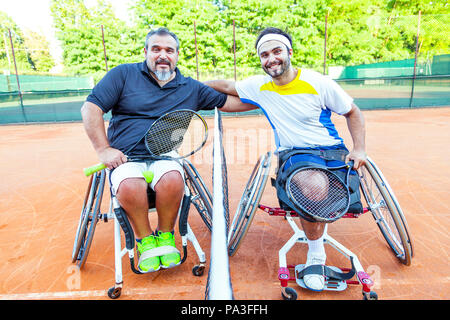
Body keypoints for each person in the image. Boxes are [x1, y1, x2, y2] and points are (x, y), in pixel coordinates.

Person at [204, 27, 367, 291]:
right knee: (315, 190)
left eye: (276, 51)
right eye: (264, 55)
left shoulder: (319, 82)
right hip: (295, 152)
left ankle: (317, 221)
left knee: (338, 190)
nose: (271, 59)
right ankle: (316, 253)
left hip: (332, 148)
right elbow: (225, 87)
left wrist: (359, 149)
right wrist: (185, 84)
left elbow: (353, 112)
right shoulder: (259, 86)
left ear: (289, 52)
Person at [81, 27, 250, 273]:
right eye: (156, 49)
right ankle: (145, 240)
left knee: (172, 179)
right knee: (129, 184)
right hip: (125, 156)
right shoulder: (122, 75)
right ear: (146, 52)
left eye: (169, 50)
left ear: (177, 55)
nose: (163, 55)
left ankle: (166, 235)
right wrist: (104, 149)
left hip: (164, 154)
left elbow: (234, 103)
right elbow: (91, 108)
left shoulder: (190, 87)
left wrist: (256, 95)